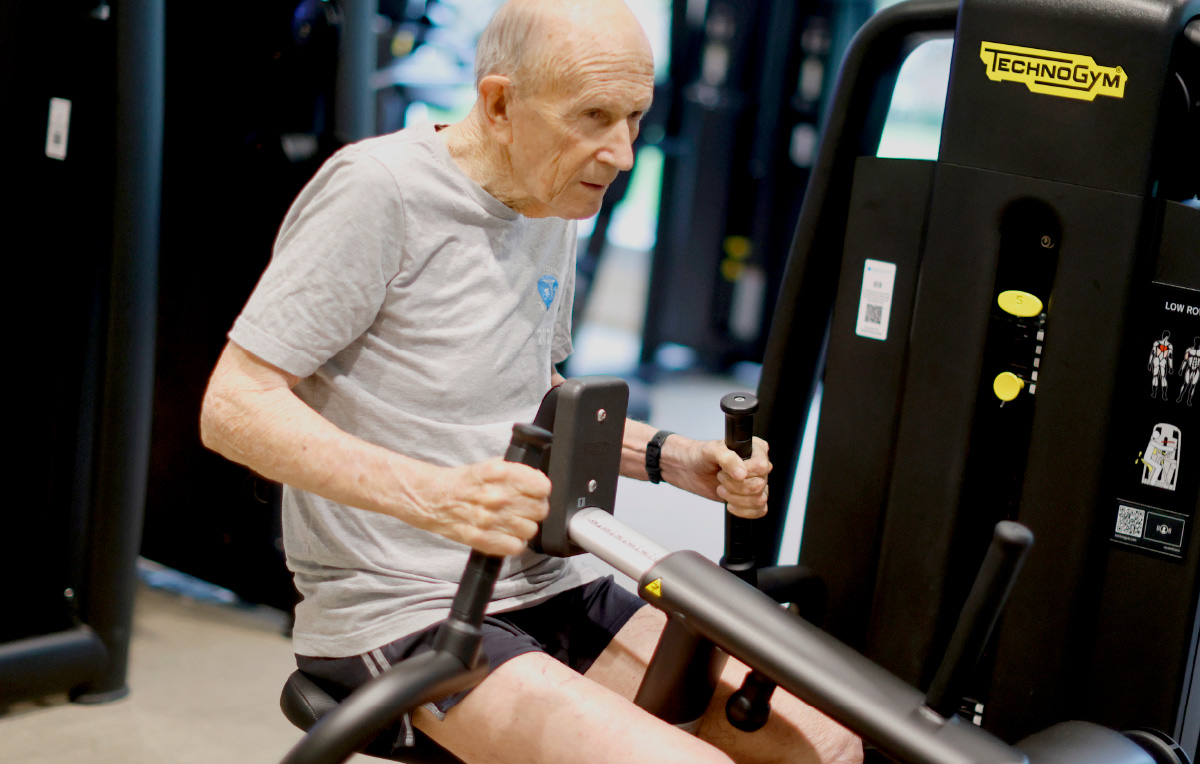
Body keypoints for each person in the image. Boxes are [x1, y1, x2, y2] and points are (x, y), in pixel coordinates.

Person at [200, 1, 862, 762]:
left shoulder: (552, 198)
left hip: (550, 580)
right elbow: (234, 406)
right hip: (403, 605)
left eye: (635, 117)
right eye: (593, 117)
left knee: (827, 746)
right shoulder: (377, 190)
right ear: (500, 104)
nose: (621, 152)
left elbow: (530, 389)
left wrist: (669, 457)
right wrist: (437, 495)